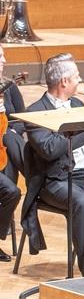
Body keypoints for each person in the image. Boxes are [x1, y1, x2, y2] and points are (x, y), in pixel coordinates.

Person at [21, 53, 84, 277]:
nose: (80, 80)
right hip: (55, 181)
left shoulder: (77, 104)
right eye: (76, 76)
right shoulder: (35, 112)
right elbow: (50, 150)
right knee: (81, 202)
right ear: (64, 81)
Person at [0, 44, 24, 261]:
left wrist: (10, 130)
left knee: (11, 190)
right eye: (0, 56)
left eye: (3, 56)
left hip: (5, 151)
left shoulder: (9, 87)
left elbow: (23, 118)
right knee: (10, 190)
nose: (4, 61)